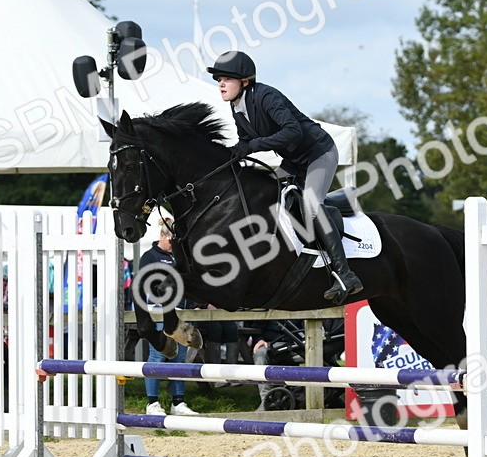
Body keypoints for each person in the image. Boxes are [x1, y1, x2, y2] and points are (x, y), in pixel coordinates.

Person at [207, 50, 363, 303]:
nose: (221, 85)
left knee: (311, 204)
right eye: (219, 80)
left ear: (244, 81)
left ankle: (345, 273)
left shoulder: (266, 96)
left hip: (318, 153)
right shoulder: (237, 108)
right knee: (265, 192)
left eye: (227, 79)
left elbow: (293, 132)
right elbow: (244, 143)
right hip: (293, 162)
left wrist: (253, 146)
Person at [139, 221, 198, 416]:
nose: (174, 245)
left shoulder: (181, 255)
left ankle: (178, 402)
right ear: (162, 236)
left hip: (183, 313)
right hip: (161, 313)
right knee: (157, 356)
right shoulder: (150, 257)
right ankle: (152, 403)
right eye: (172, 241)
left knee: (180, 358)